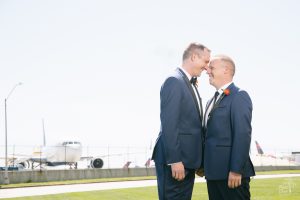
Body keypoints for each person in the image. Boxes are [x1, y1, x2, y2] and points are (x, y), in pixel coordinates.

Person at [152, 43, 211, 200]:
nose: (207, 67)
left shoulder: (188, 83)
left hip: (187, 161)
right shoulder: (174, 81)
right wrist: (175, 160)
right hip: (176, 161)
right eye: (205, 61)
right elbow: (169, 124)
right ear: (193, 57)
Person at [203, 55, 255, 200]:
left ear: (225, 70)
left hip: (231, 175)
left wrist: (236, 170)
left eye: (212, 67)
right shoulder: (210, 101)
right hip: (213, 174)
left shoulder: (239, 96)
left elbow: (242, 134)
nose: (207, 71)